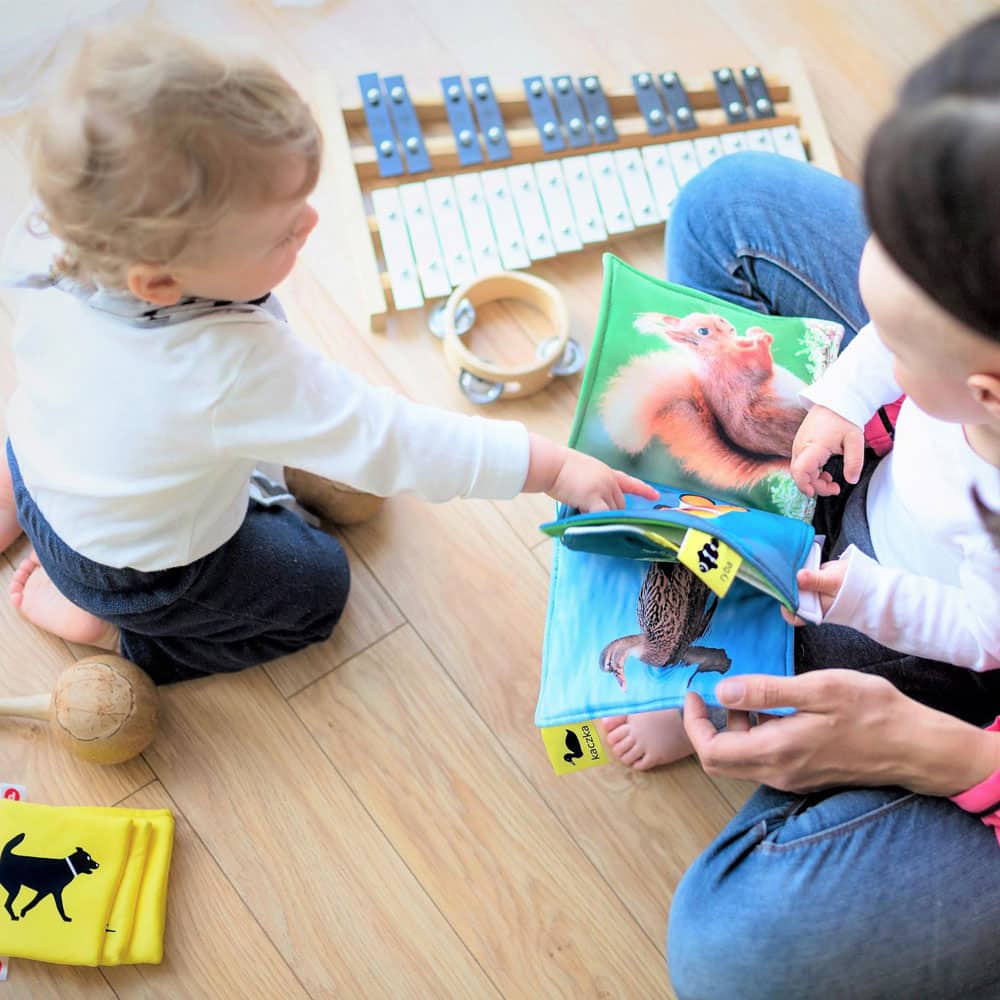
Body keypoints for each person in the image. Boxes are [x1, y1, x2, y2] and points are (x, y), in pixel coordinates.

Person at [0, 26, 655, 684]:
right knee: (316, 589)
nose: (313, 224)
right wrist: (551, 468)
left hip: (42, 467)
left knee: (77, 421)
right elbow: (392, 439)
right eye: (285, 229)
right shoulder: (227, 369)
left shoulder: (49, 232)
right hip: (134, 572)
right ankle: (117, 634)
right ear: (161, 284)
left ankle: (14, 500)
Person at [602, 14, 1000, 999]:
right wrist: (847, 398)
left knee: (735, 951)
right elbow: (881, 348)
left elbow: (971, 629)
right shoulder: (960, 388)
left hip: (925, 621)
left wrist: (936, 742)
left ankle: (703, 689)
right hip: (911, 481)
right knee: (727, 204)